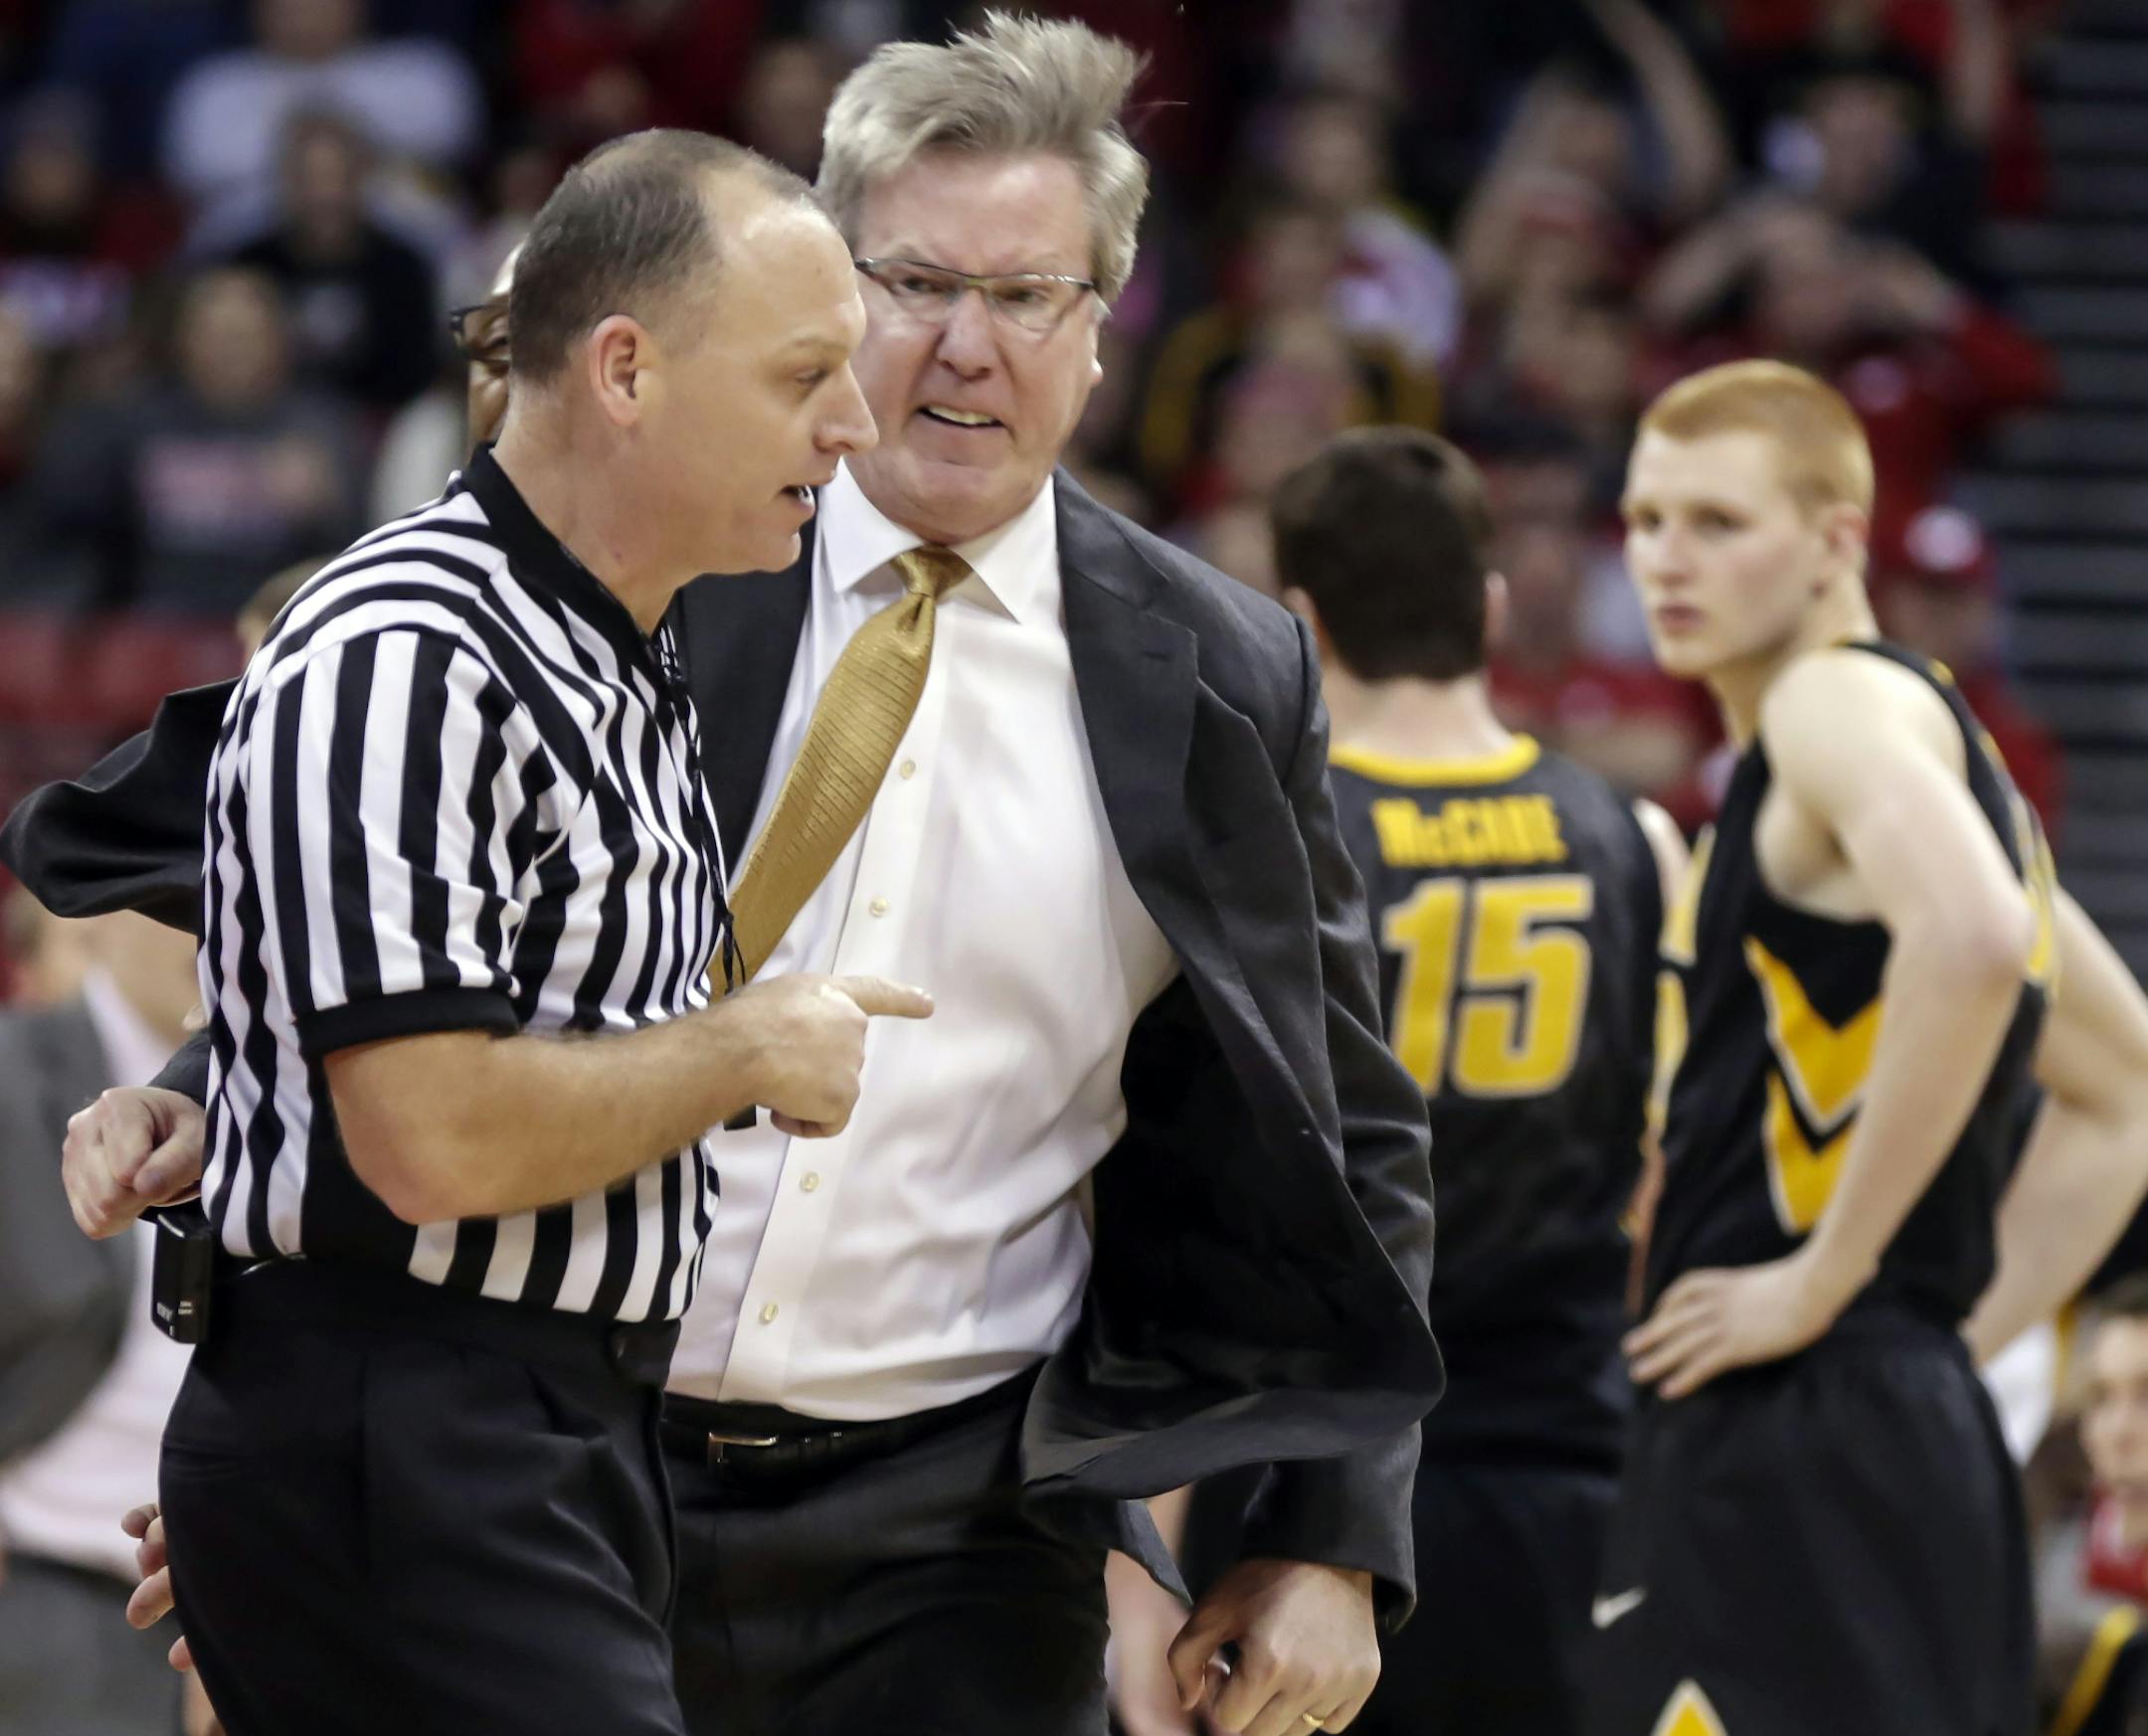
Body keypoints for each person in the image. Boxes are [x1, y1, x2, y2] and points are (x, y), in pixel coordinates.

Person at [6, 16, 1442, 1736]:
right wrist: (235, 1139)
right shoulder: (657, 544)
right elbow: (384, 876)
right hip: (566, 1460)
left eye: (1030, 295)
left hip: (967, 1528)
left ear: (1104, 321)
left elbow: (1337, 1123)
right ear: (818, 291)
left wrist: (1333, 1534)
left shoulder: (1222, 674)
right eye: (912, 282)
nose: (965, 346)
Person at [150, 128, 926, 1736]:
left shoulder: (619, 651)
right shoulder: (406, 649)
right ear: (626, 371)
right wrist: (749, 1045)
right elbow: (424, 1135)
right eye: (805, 377)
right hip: (416, 1419)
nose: (855, 426)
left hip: (527, 1425)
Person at [1591, 358, 2148, 1736]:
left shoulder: (1832, 708)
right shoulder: (1933, 743)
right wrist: (1928, 1341)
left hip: (1790, 1438)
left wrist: (1820, 1285)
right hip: (1896, 1430)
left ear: (1840, 538)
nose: (1667, 557)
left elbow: (1964, 937)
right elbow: (2128, 1091)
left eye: (1718, 522)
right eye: (1646, 519)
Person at [1154, 427, 1682, 1736]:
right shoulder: (1635, 838)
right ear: (1492, 604)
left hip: (1294, 1470)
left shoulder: (1270, 833)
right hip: (1555, 1465)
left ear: (1298, 617)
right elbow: (1657, 1186)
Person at [0, 911, 214, 1736]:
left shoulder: (309, 1104)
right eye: (183, 909)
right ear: (89, 916)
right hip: (55, 1582)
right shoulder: (14, 1070)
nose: (212, 937)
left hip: (264, 1584)